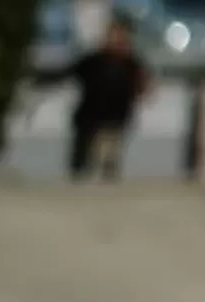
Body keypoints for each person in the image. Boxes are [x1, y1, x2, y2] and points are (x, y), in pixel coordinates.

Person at [48, 19, 150, 182]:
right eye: (112, 35)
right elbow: (66, 73)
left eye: (120, 36)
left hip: (115, 122)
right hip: (89, 121)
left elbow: (144, 87)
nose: (115, 40)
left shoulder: (132, 65)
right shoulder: (92, 61)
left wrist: (143, 90)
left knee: (108, 165)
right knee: (81, 167)